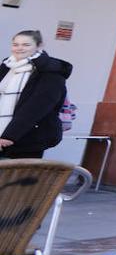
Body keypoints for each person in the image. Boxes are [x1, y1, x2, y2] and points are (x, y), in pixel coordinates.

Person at [0, 30, 72, 159]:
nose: (19, 48)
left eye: (26, 45)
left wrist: (9, 135)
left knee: (18, 178)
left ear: (39, 46)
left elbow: (37, 107)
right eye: (15, 44)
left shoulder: (51, 71)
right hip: (3, 134)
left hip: (27, 138)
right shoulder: (7, 66)